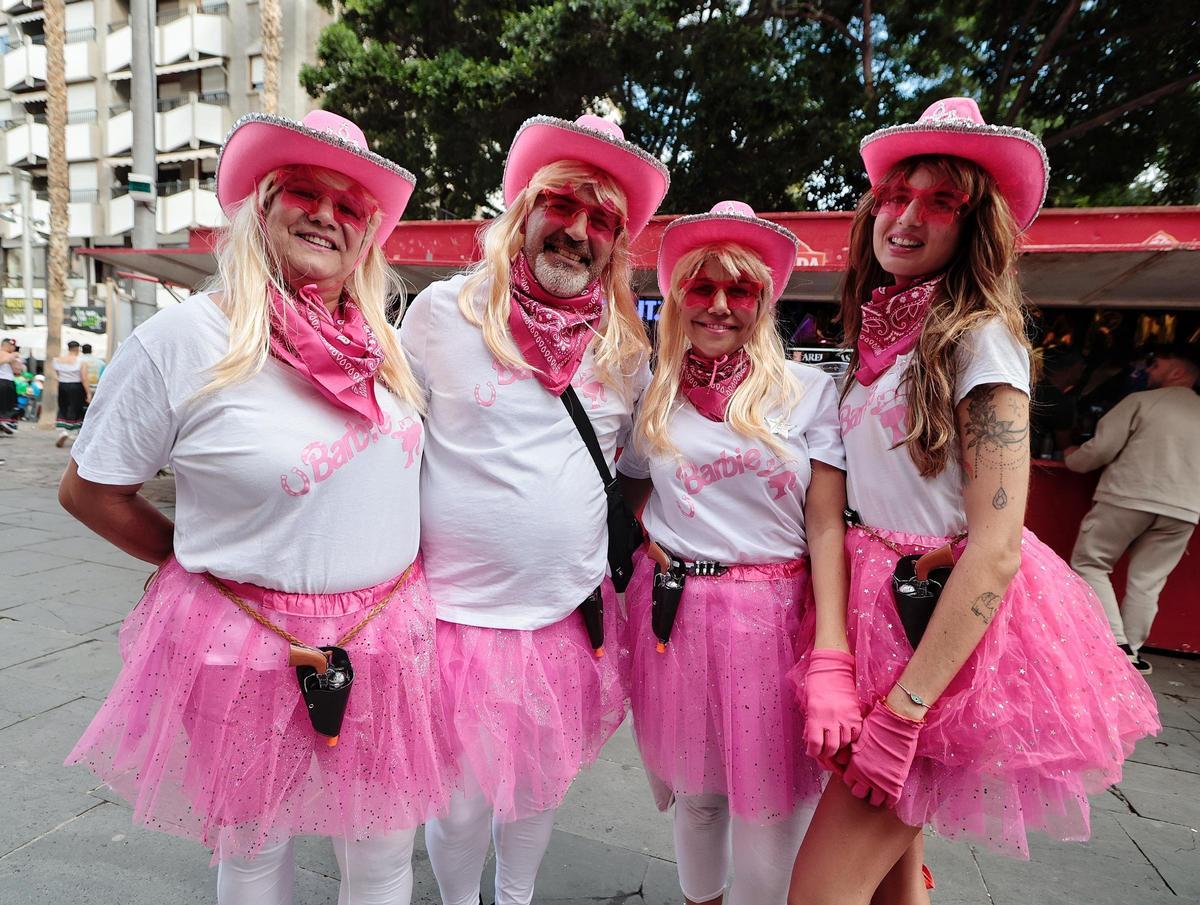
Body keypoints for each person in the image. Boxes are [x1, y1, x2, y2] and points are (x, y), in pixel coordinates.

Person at [59, 110, 453, 905]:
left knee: (381, 856)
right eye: (302, 191)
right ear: (260, 209)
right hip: (244, 641)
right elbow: (91, 489)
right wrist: (192, 560)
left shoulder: (389, 349)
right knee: (251, 852)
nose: (326, 215)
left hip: (384, 635)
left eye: (349, 206)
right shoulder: (184, 340)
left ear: (368, 235)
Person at [787, 97, 1160, 905]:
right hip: (877, 621)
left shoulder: (981, 336)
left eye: (940, 201)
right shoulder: (879, 337)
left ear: (975, 222)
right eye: (895, 195)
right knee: (896, 883)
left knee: (817, 895)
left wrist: (905, 710)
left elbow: (996, 542)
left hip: (939, 648)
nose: (907, 217)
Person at [400, 113, 669, 905]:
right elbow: (387, 443)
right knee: (454, 807)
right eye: (563, 204)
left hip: (564, 622)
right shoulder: (441, 314)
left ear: (616, 244)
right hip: (453, 619)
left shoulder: (624, 349)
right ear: (524, 208)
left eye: (602, 220)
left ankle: (513, 899)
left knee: (538, 792)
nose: (577, 231)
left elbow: (635, 472)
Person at [616, 201, 848, 905]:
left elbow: (828, 525)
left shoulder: (810, 392)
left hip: (775, 621)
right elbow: (626, 487)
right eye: (702, 287)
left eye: (739, 290)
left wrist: (834, 651)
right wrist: (652, 546)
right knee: (699, 795)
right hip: (675, 617)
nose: (719, 305)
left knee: (772, 808)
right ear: (680, 295)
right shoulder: (650, 394)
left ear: (763, 301)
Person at [1066, 343, 1200, 675]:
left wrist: (1072, 456)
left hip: (1128, 496)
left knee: (1090, 562)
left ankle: (1117, 645)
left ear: (1177, 372)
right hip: (1184, 508)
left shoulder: (1141, 401)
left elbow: (1099, 450)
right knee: (1148, 580)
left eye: (1156, 364)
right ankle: (1133, 653)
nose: (1147, 370)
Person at [52, 340, 89, 446]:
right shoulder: (80, 361)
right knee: (75, 408)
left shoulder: (57, 360)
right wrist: (88, 393)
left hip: (62, 385)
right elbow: (84, 377)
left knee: (63, 407)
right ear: (77, 349)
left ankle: (62, 430)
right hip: (76, 386)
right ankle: (73, 432)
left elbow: (57, 374)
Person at [0, 337, 24, 435]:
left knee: (10, 403)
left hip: (9, 381)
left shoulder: (12, 356)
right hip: (3, 381)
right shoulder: (3, 353)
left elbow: (18, 370)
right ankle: (5, 422)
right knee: (4, 404)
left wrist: (14, 360)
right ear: (7, 345)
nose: (14, 348)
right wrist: (11, 356)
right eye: (12, 346)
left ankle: (4, 425)